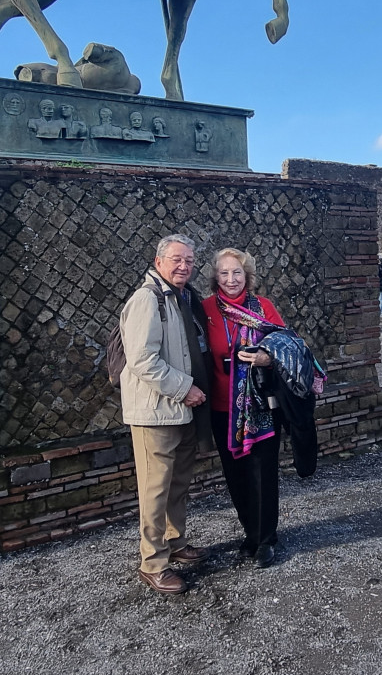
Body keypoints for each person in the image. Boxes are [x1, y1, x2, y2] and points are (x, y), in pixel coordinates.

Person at [119, 234, 212, 595]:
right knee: (155, 489)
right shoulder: (147, 299)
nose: (184, 266)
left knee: (177, 483)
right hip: (155, 411)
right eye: (176, 259)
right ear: (159, 262)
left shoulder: (182, 298)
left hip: (181, 411)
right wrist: (183, 388)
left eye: (189, 260)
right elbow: (142, 359)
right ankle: (153, 563)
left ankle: (174, 542)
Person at [202, 248, 287, 568]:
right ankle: (251, 533)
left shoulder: (263, 307)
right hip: (222, 408)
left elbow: (286, 345)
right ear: (215, 277)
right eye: (224, 273)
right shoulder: (205, 310)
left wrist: (267, 357)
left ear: (246, 275)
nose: (230, 279)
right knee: (236, 474)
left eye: (236, 272)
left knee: (262, 472)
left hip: (260, 405)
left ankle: (266, 539)